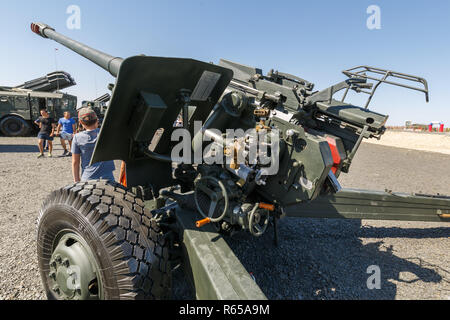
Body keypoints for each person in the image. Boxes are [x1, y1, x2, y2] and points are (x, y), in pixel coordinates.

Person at [71, 107, 115, 182]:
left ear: (80, 122)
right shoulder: (107, 133)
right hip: (108, 178)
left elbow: (75, 162)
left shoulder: (77, 138)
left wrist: (76, 181)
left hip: (88, 178)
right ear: (97, 120)